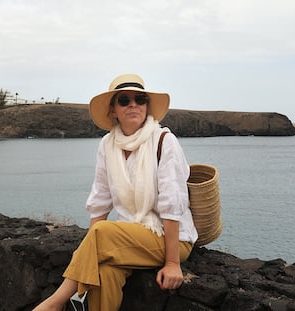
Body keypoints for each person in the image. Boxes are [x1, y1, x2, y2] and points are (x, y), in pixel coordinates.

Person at [33, 73, 198, 311]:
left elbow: (173, 204)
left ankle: (54, 303)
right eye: (124, 100)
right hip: (131, 237)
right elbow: (100, 201)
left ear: (147, 106)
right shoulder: (107, 145)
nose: (133, 104)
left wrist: (172, 263)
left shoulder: (164, 140)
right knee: (104, 272)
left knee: (101, 232)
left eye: (140, 99)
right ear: (113, 110)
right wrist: (93, 254)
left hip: (171, 239)